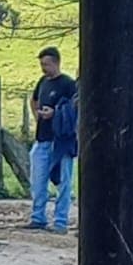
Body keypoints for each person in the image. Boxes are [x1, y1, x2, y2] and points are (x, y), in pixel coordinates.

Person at [29, 46, 78, 233]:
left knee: (64, 182)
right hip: (42, 138)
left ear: (57, 63)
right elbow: (33, 100)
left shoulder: (68, 84)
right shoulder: (42, 81)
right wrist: (37, 116)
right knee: (38, 179)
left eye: (47, 64)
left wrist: (55, 114)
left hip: (61, 140)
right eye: (42, 64)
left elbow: (74, 110)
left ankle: (60, 221)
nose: (43, 68)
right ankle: (38, 217)